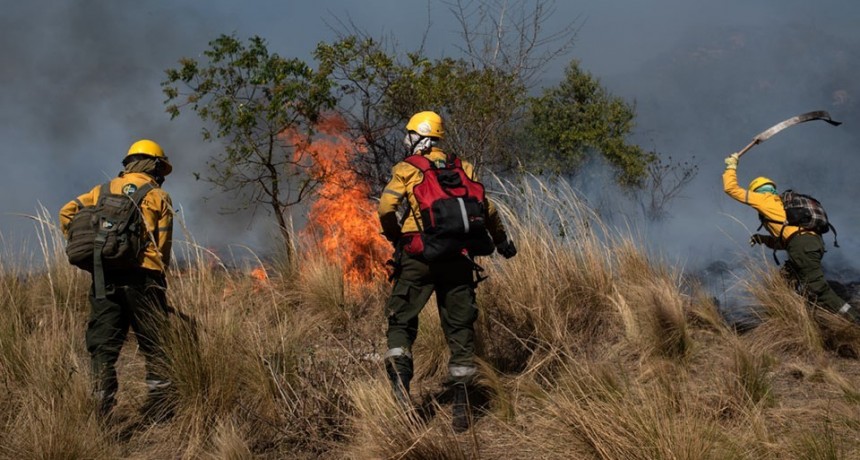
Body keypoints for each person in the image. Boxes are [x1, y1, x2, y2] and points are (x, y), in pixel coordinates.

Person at [378, 111, 517, 432]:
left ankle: (401, 391)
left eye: (410, 134)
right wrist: (501, 241)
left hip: (418, 256)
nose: (406, 139)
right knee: (460, 328)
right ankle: (461, 407)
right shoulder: (463, 167)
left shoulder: (407, 168)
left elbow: (386, 208)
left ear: (422, 136)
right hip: (458, 256)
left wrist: (397, 237)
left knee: (401, 321)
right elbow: (487, 208)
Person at [59, 139, 175, 422]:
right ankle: (160, 410)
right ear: (154, 165)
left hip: (105, 275)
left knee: (103, 345)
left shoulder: (102, 190)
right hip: (144, 278)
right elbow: (163, 245)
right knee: (155, 341)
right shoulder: (158, 196)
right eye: (160, 168)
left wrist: (90, 243)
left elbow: (66, 212)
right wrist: (159, 272)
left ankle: (101, 409)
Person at [723, 152, 859, 323]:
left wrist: (731, 166)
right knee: (784, 282)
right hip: (810, 244)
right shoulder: (782, 206)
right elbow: (787, 242)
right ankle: (793, 318)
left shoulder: (764, 199)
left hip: (802, 246)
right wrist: (762, 239)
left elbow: (731, 189)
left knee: (819, 289)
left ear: (756, 191)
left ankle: (854, 320)